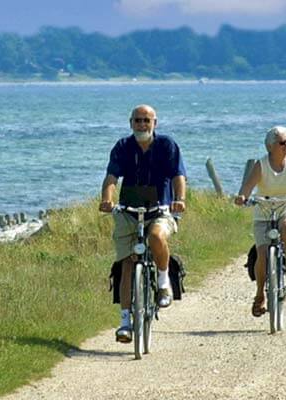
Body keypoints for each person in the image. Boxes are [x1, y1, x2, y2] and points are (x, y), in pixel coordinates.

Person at [99, 104, 187, 343]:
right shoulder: (122, 147)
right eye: (138, 120)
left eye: (146, 121)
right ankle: (125, 321)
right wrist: (107, 199)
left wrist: (179, 200)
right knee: (128, 261)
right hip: (129, 210)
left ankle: (163, 282)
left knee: (156, 237)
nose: (142, 125)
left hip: (160, 208)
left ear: (154, 123)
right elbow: (111, 177)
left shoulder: (167, 145)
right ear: (131, 123)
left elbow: (179, 175)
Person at [234, 125, 286, 318]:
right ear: (270, 146)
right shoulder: (261, 165)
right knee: (262, 253)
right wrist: (242, 197)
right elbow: (247, 187)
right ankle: (260, 294)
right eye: (282, 142)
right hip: (264, 210)